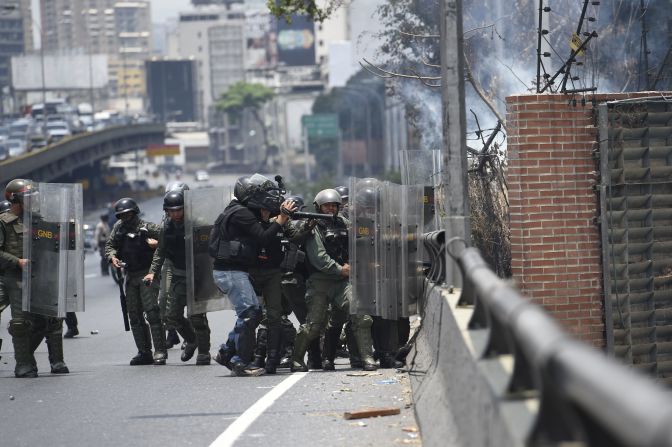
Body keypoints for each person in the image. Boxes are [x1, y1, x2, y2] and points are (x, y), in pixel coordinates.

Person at [211, 174, 295, 377]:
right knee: (249, 314)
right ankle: (240, 361)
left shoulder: (240, 211)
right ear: (250, 195)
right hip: (231, 271)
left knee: (252, 313)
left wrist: (273, 217)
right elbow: (264, 237)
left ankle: (226, 351)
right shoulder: (242, 214)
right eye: (263, 194)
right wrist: (282, 219)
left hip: (232, 270)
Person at [291, 189, 377, 372]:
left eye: (334, 205)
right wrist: (341, 269)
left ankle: (367, 357)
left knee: (361, 315)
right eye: (326, 205)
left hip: (342, 282)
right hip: (320, 281)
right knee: (313, 326)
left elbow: (358, 239)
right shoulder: (312, 226)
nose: (330, 209)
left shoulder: (343, 223)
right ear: (318, 207)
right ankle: (296, 359)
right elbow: (319, 257)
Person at [0, 179, 69, 377]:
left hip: (41, 276)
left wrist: (66, 235)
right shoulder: (3, 223)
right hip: (15, 278)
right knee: (21, 323)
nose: (34, 201)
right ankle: (24, 365)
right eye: (28, 198)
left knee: (51, 320)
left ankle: (57, 362)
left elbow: (55, 244)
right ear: (15, 200)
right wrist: (17, 261)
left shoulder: (39, 220)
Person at [144, 189, 211, 365]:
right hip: (179, 275)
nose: (175, 214)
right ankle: (191, 339)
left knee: (197, 316)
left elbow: (209, 249)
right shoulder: (167, 227)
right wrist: (152, 272)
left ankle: (204, 352)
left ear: (185, 209)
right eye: (171, 211)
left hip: (197, 276)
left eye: (178, 210)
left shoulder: (197, 223)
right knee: (170, 315)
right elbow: (161, 251)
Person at [105, 197, 166, 366]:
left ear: (134, 212)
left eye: (127, 214)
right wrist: (112, 257)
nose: (125, 218)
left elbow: (166, 240)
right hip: (130, 276)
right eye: (121, 215)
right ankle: (144, 352)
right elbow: (109, 246)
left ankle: (160, 350)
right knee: (134, 316)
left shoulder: (147, 227)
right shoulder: (118, 229)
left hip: (147, 274)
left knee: (152, 313)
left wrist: (156, 244)